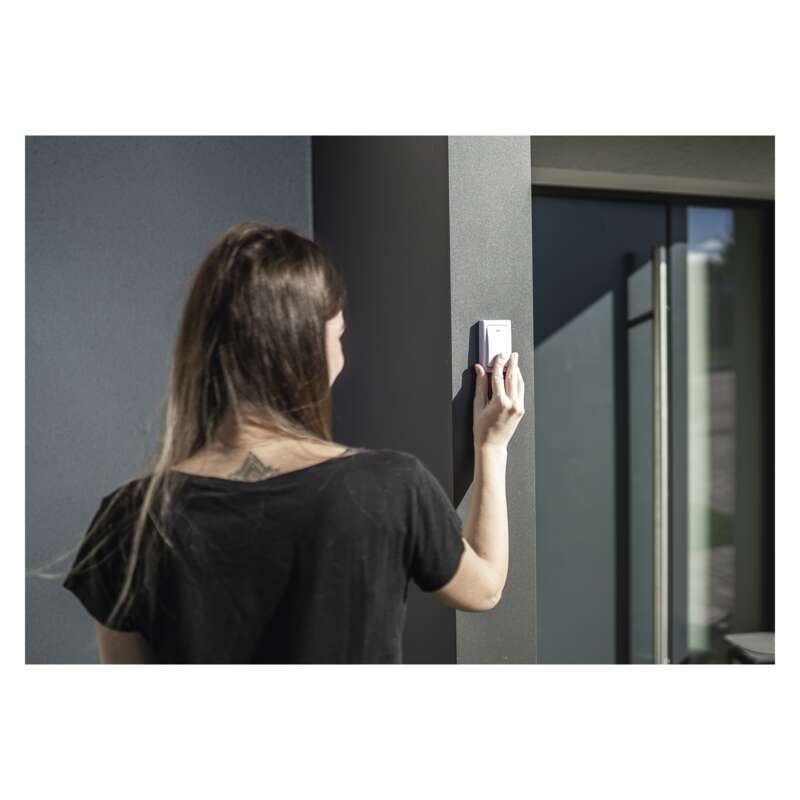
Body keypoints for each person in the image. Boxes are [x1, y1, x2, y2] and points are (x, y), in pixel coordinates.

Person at [62, 222, 525, 663]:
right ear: (305, 349)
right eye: (337, 336)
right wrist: (491, 449)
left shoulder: (130, 520)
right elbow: (485, 587)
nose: (341, 356)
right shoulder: (391, 487)